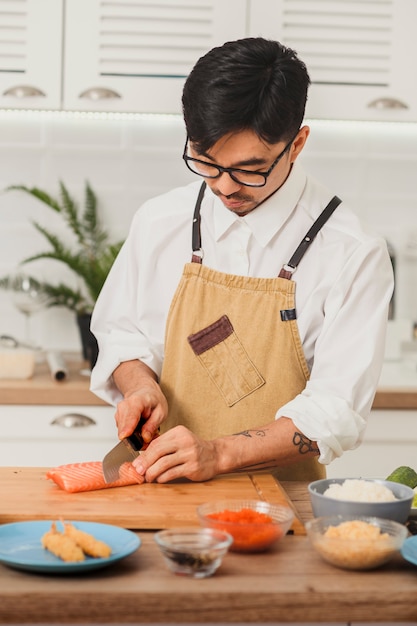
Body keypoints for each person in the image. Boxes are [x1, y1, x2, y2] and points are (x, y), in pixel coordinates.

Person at [90, 37, 393, 483]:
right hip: (162, 491)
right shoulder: (160, 221)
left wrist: (217, 454)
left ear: (297, 144)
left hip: (283, 514)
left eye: (250, 169)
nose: (225, 188)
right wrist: (139, 384)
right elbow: (121, 332)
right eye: (206, 162)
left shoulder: (353, 252)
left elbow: (335, 411)